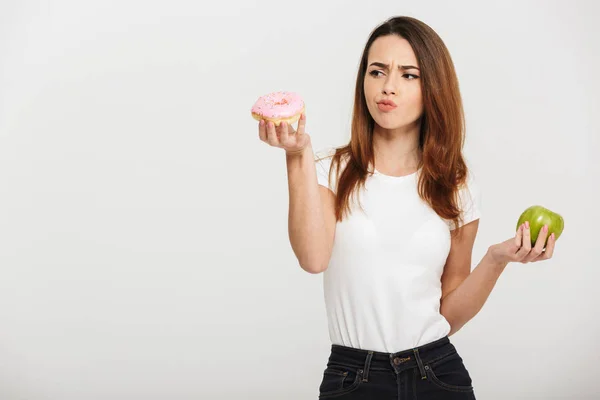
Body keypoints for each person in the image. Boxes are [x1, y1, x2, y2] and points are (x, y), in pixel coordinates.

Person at [257, 15, 556, 400]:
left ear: (433, 86)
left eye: (409, 75)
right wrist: (297, 155)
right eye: (377, 71)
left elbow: (448, 316)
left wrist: (496, 259)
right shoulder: (330, 169)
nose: (388, 87)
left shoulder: (456, 185)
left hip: (438, 374)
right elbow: (313, 259)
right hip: (352, 377)